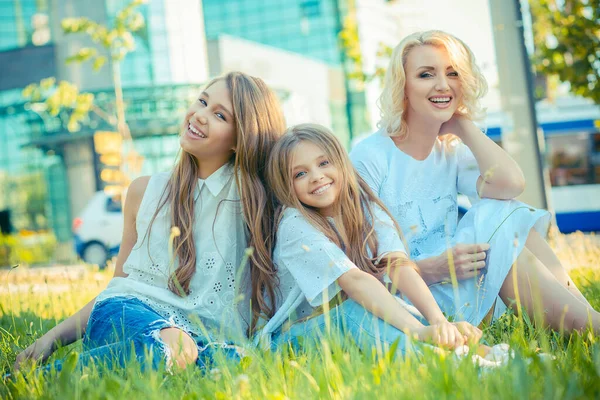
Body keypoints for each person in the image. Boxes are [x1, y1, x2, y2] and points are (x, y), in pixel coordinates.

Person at [13, 71, 287, 373]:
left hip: (200, 339)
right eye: (202, 101)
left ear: (241, 139)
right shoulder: (145, 192)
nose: (200, 115)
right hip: (127, 312)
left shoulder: (256, 202)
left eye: (220, 115)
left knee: (234, 362)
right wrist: (51, 339)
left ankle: (142, 358)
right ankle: (36, 379)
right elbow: (118, 287)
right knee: (178, 348)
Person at [350, 30, 600, 333]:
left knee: (503, 212)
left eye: (453, 73)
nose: (443, 85)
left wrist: (464, 126)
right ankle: (588, 327)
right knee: (497, 232)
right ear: (403, 87)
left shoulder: (449, 151)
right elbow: (359, 262)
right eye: (426, 74)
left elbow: (510, 185)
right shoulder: (370, 155)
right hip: (410, 299)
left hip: (458, 280)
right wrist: (434, 268)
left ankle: (587, 321)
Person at [257, 123, 483, 357]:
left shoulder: (363, 205)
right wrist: (417, 331)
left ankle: (484, 355)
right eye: (300, 174)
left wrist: (437, 322)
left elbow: (398, 266)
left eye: (323, 163)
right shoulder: (294, 224)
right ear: (286, 184)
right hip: (289, 339)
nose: (316, 177)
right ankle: (448, 362)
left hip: (348, 321)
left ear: (340, 162)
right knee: (359, 312)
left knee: (399, 309)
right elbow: (355, 281)